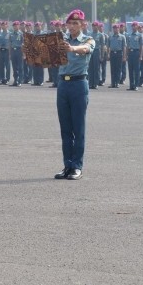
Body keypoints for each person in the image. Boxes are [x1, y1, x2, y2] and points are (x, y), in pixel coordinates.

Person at [54, 9, 95, 181]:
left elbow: (85, 49)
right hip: (63, 84)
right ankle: (67, 165)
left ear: (83, 24)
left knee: (78, 128)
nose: (72, 26)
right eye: (69, 23)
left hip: (79, 84)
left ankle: (77, 166)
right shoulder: (61, 40)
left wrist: (72, 48)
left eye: (75, 23)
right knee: (65, 129)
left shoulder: (88, 40)